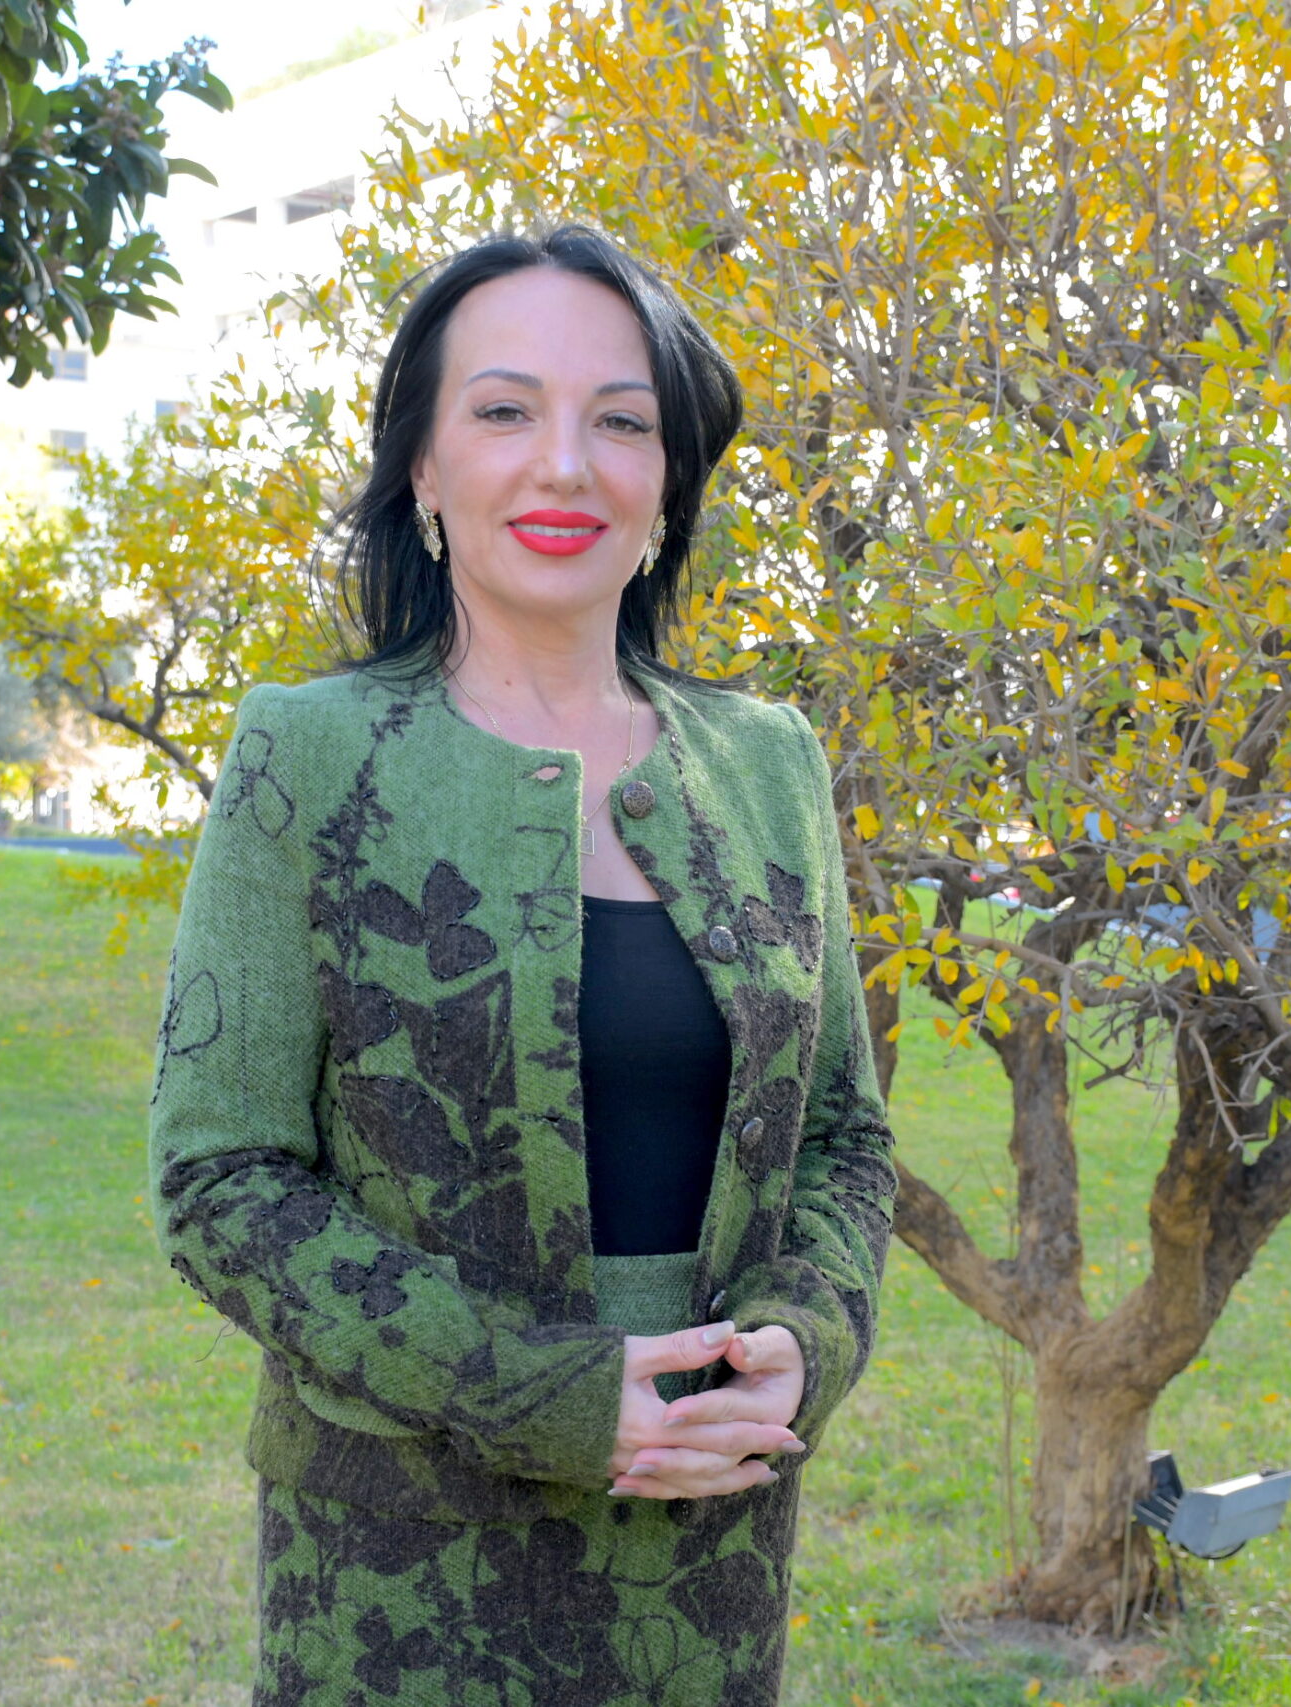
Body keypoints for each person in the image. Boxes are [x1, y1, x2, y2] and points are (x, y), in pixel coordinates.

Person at [147, 225, 897, 1705]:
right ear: (423, 468)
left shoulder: (766, 765)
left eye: (620, 421)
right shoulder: (310, 756)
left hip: (708, 1552)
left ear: (667, 479)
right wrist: (544, 1396)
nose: (565, 464)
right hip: (398, 1575)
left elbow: (842, 1139)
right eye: (504, 410)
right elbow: (221, 1181)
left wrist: (805, 1344)